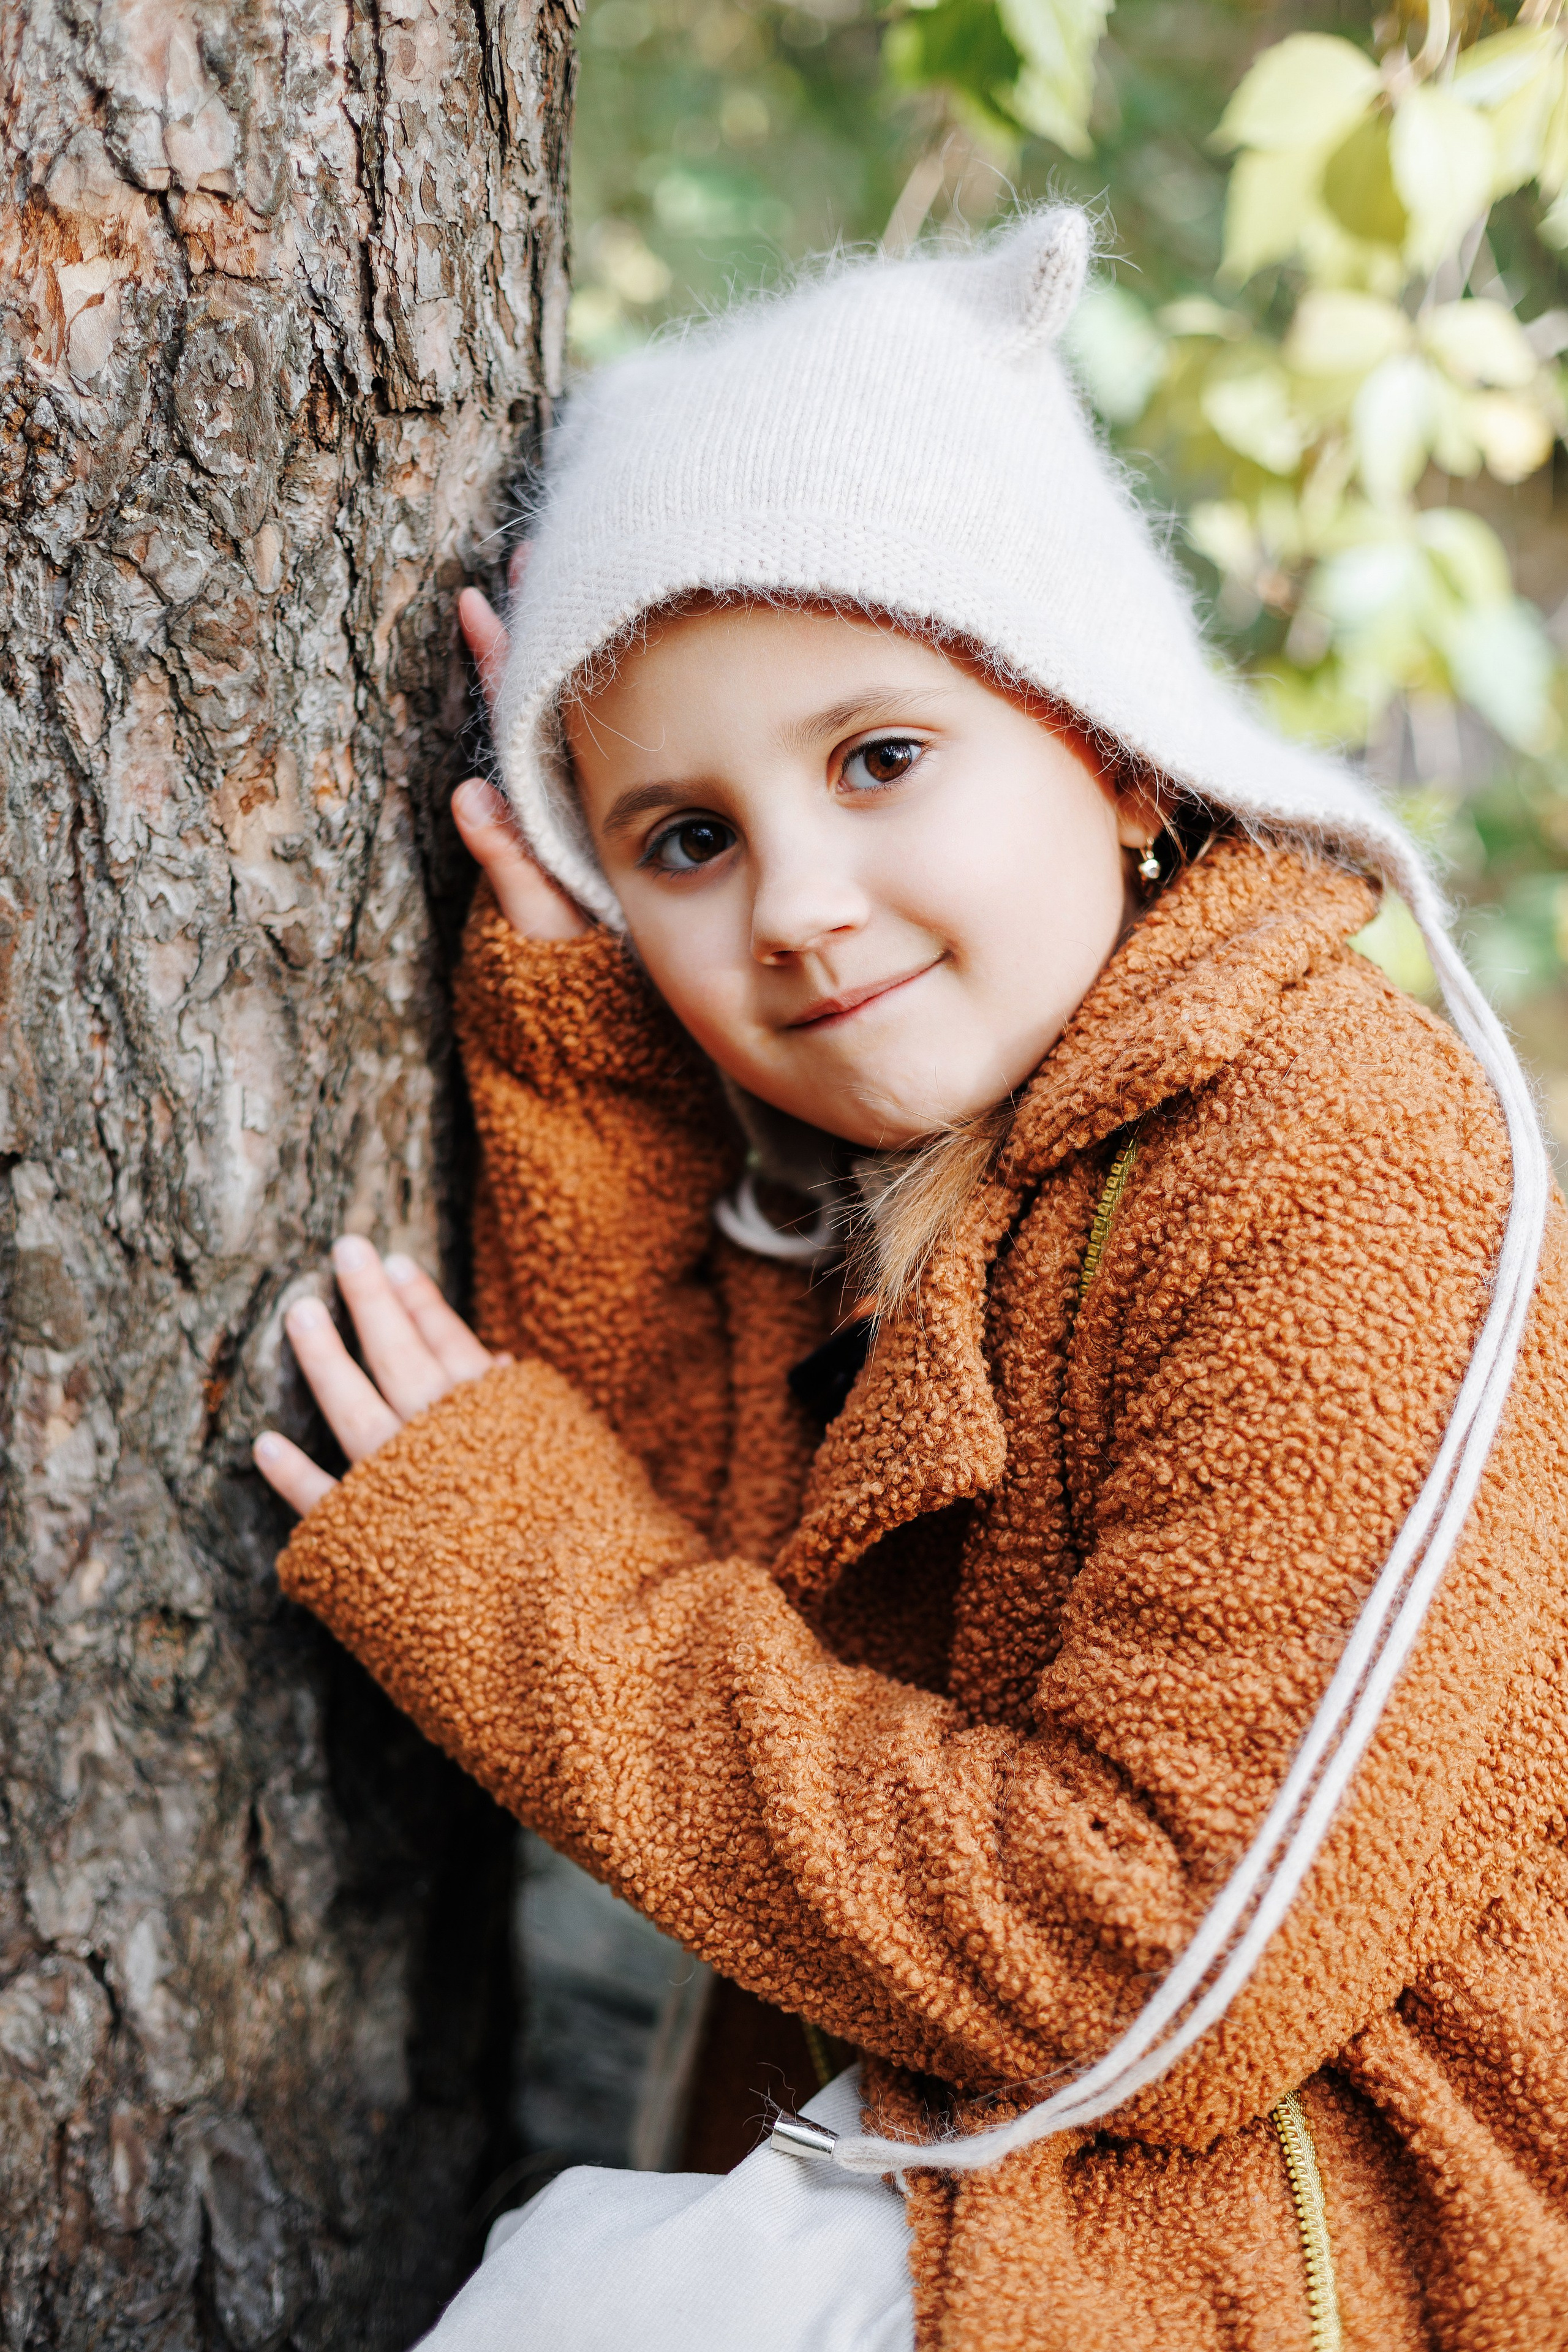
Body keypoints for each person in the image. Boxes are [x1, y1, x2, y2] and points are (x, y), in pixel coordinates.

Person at [253, 208, 1568, 2349]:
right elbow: (720, 1549)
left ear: (1116, 747)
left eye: (880, 759)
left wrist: (520, 1586)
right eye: (683, 839)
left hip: (1364, 2230)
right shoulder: (940, 1171)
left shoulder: (1338, 1160)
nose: (796, 903)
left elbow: (1159, 1958)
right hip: (1017, 2177)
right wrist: (593, 1067)